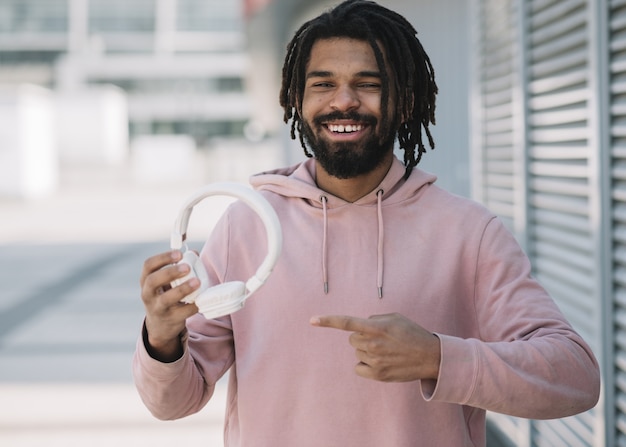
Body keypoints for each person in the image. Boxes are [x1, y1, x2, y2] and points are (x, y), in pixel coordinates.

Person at [133, 1, 600, 445]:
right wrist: (161, 336)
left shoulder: (468, 233)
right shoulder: (246, 226)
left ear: (406, 100)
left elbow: (577, 378)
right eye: (322, 84)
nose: (344, 101)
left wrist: (438, 358)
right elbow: (173, 402)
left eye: (368, 83)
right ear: (297, 100)